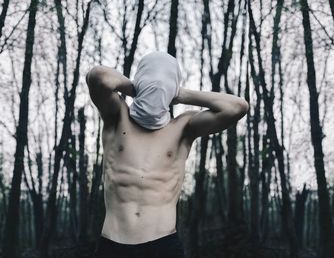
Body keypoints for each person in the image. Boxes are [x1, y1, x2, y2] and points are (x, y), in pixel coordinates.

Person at [86, 52, 249, 258]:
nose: (157, 87)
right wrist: (138, 88)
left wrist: (179, 94)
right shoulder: (117, 117)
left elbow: (237, 107)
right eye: (150, 81)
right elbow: (98, 77)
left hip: (162, 247)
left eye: (164, 84)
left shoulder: (183, 127)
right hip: (113, 245)